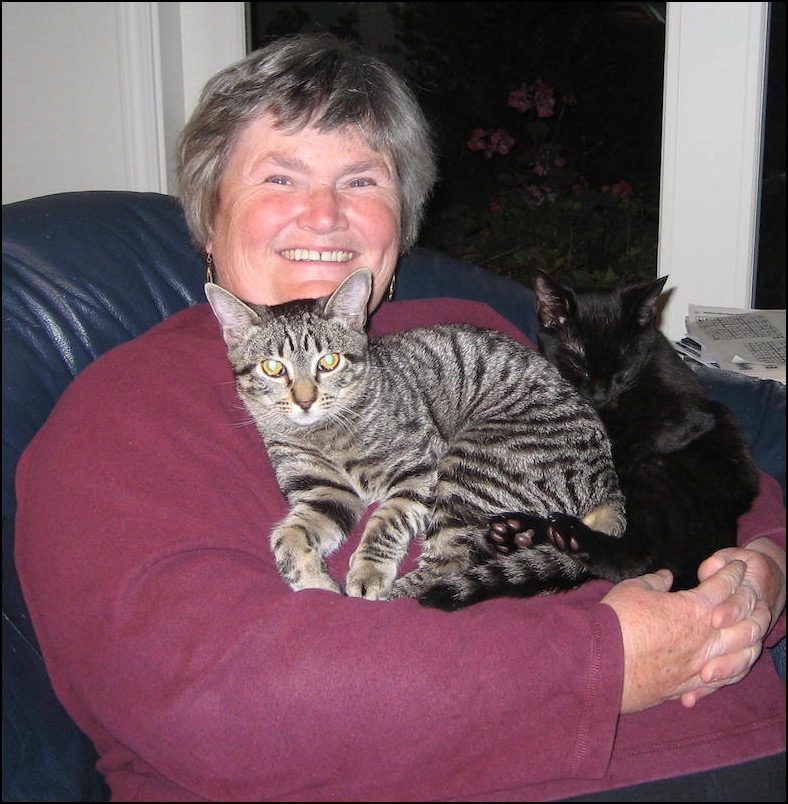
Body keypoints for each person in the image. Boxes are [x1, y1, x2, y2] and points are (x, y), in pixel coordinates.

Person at [15, 33, 785, 802]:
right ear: (208, 218)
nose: (324, 215)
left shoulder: (469, 325)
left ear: (403, 224)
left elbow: (688, 448)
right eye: (281, 176)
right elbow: (220, 701)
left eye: (362, 181)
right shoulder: (126, 409)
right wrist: (608, 660)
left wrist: (767, 567)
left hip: (746, 730)